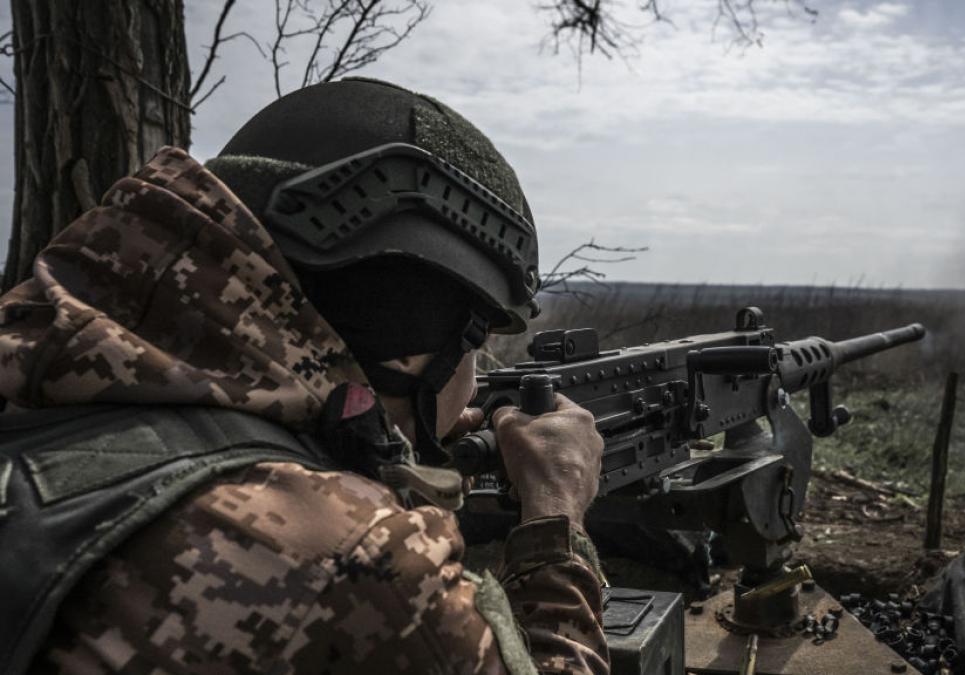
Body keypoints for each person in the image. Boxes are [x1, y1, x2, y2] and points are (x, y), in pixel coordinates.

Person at [0, 78, 609, 674]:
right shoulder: (359, 558)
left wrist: (376, 449)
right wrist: (556, 512)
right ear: (411, 348)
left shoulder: (33, 363)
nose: (476, 385)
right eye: (477, 348)